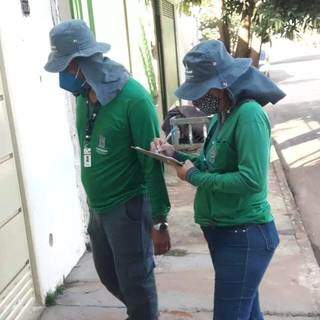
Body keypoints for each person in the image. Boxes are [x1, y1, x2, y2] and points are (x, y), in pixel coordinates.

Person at [44, 20, 171, 320]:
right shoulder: (83, 98)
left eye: (65, 67)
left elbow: (152, 163)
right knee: (108, 275)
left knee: (136, 281)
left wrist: (160, 221)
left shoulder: (134, 99)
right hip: (98, 208)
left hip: (127, 207)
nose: (63, 75)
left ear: (81, 63)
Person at [151, 40, 286, 320]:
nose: (198, 100)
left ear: (222, 84)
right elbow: (209, 164)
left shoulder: (249, 116)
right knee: (246, 313)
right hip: (223, 230)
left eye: (201, 91)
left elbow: (251, 181)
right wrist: (173, 154)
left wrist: (196, 177)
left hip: (245, 233)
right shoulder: (220, 117)